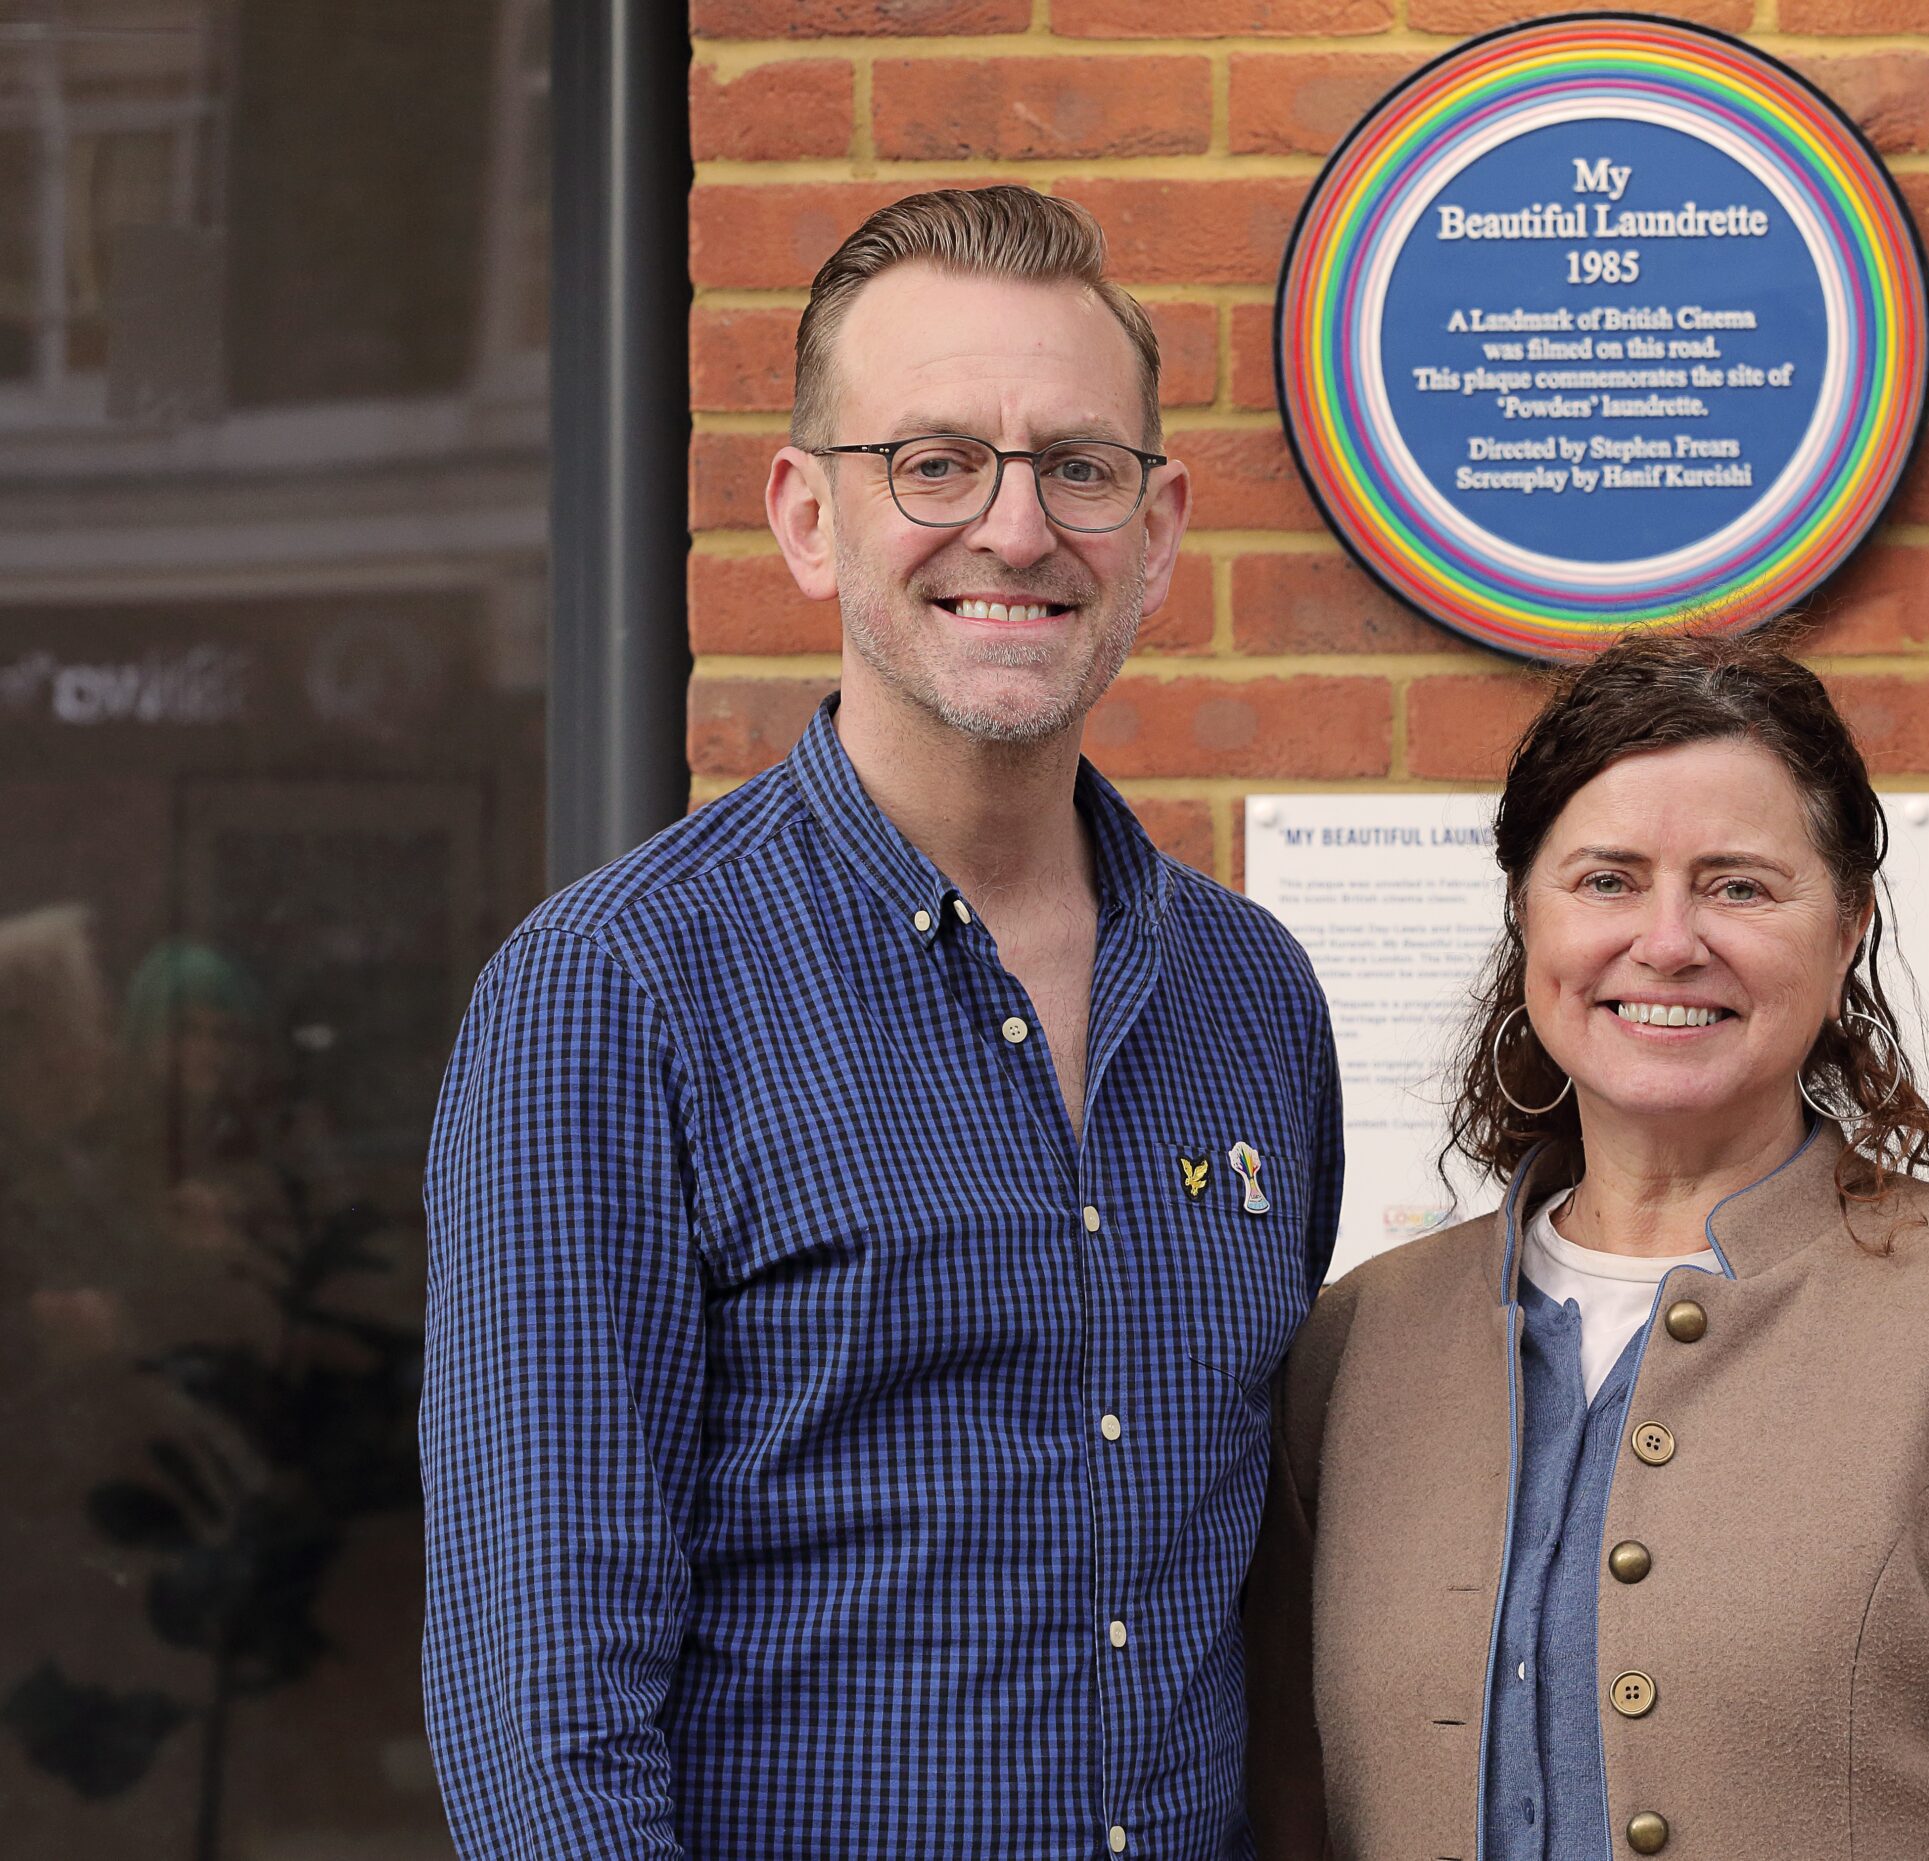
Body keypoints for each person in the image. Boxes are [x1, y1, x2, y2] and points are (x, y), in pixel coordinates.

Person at [422, 186, 1343, 1860]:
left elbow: (1255, 1595)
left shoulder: (1250, 997)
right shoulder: (617, 994)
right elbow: (543, 1704)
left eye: (1078, 466)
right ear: (804, 516)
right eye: (933, 463)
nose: (1014, 529)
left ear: (1157, 526)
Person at [1246, 634, 1929, 1859]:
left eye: (1738, 886)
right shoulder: (1358, 1342)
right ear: (1525, 917)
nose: (1667, 941)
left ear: (1846, 932)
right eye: (1606, 880)